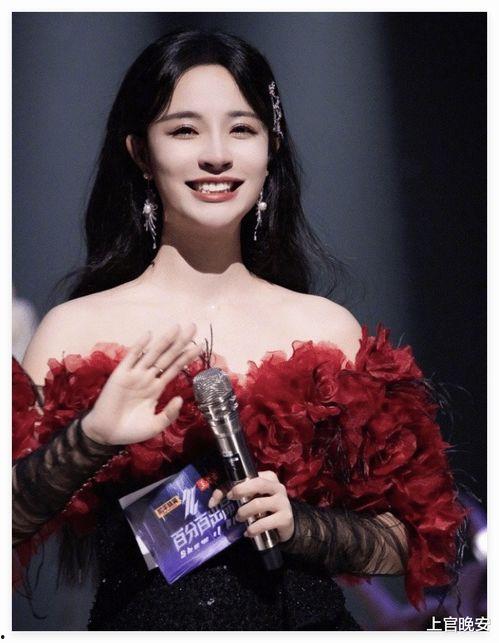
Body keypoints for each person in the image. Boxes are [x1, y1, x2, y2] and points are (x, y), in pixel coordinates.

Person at [12, 28, 468, 631]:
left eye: (242, 129)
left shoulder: (326, 329)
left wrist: (301, 524)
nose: (217, 155)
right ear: (140, 153)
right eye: (184, 130)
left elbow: (414, 538)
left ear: (270, 148)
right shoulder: (75, 330)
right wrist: (90, 437)